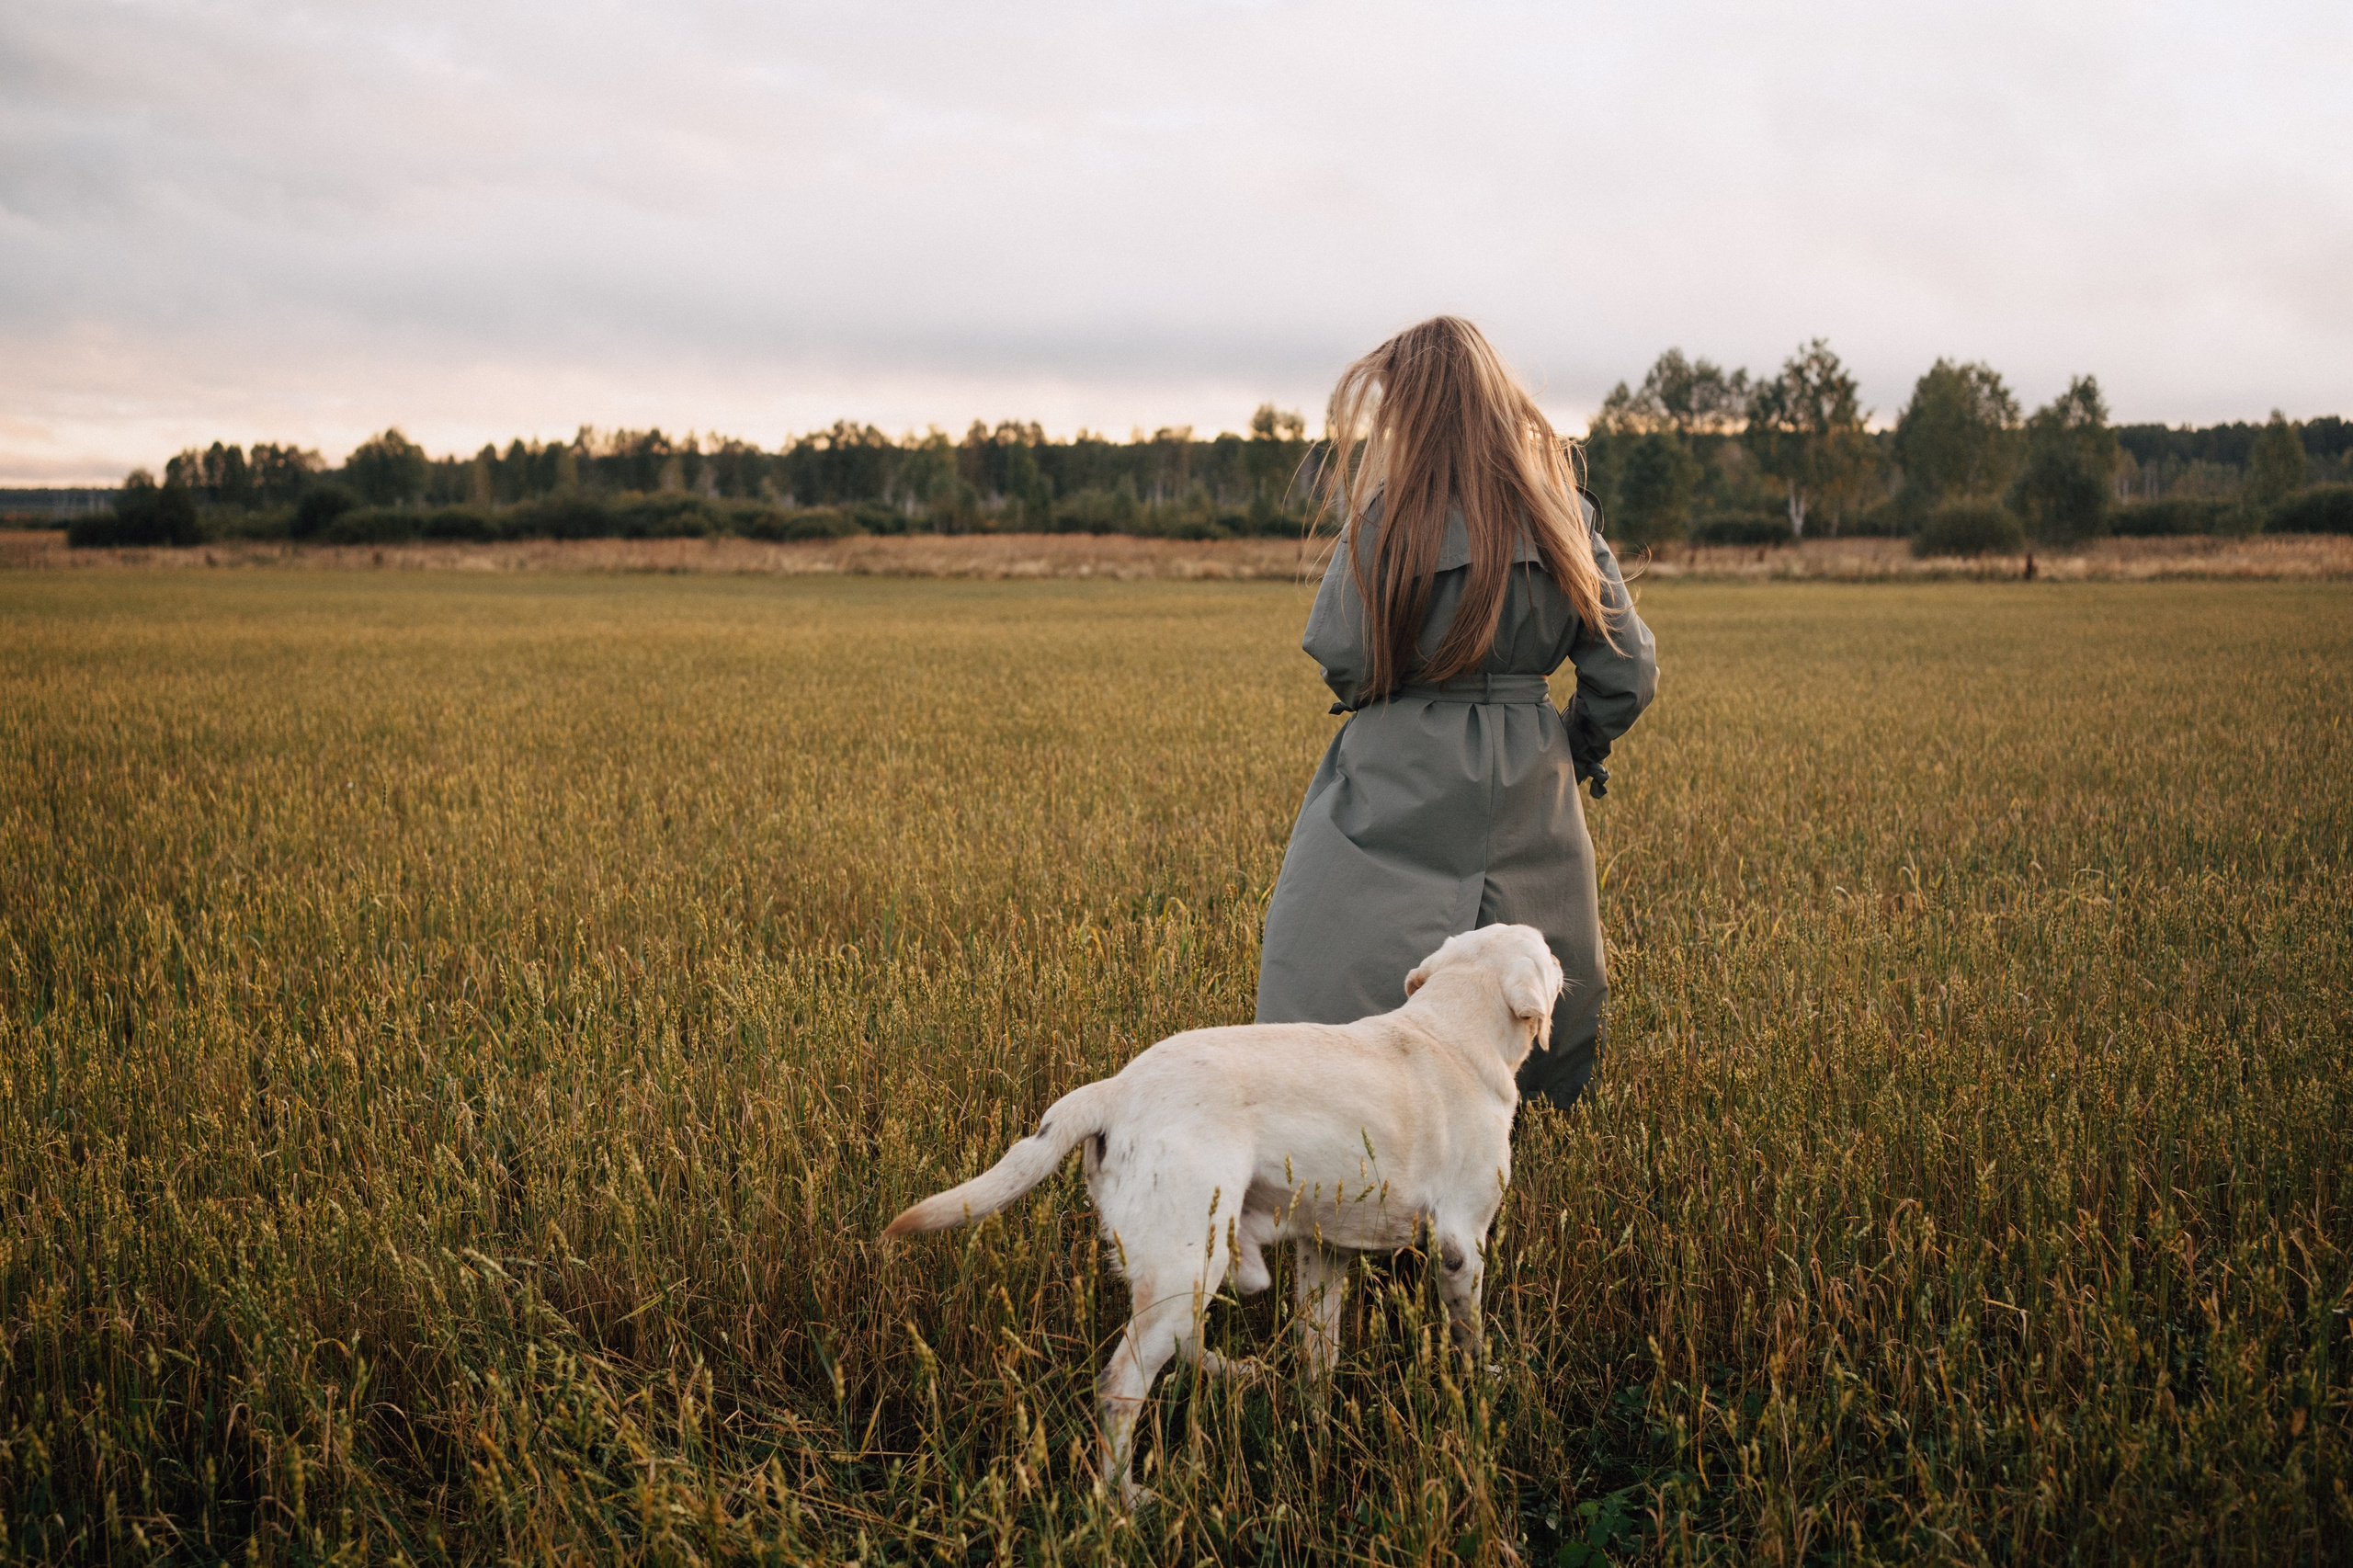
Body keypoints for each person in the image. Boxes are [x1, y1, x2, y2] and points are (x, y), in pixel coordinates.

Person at [1255, 316, 1658, 1114]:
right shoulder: (1563, 513)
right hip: (1529, 761)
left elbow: (1342, 652)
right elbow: (1629, 669)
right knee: (1542, 945)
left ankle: (1343, 1110)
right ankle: (1535, 1112)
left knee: (1338, 944)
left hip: (1402, 751)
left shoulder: (1384, 518)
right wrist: (1570, 745)